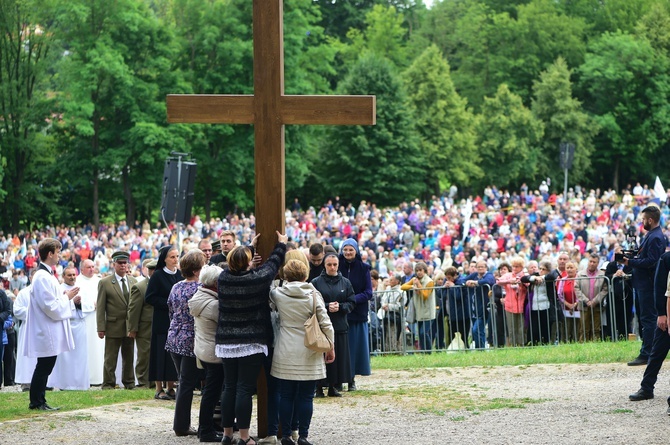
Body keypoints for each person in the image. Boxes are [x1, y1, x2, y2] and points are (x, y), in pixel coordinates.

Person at [216, 232, 287, 445]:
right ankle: (245, 437)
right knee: (244, 389)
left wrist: (250, 247)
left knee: (229, 387)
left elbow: (239, 263)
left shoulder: (223, 278)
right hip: (251, 341)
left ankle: (228, 434)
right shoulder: (256, 280)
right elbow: (272, 265)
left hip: (226, 341)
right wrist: (281, 245)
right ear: (248, 263)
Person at [270, 258, 335, 445]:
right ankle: (303, 435)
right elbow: (326, 324)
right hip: (309, 349)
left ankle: (286, 435)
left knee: (286, 395)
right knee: (307, 396)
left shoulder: (278, 295)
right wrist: (330, 346)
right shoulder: (313, 295)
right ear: (305, 274)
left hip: (285, 349)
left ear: (286, 276)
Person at [23, 238, 76, 410]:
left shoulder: (47, 275)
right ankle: (36, 402)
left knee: (46, 365)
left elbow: (53, 300)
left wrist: (64, 296)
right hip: (45, 328)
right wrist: (67, 297)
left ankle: (40, 400)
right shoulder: (41, 277)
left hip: (48, 327)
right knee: (44, 366)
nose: (60, 255)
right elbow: (49, 305)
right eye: (58, 251)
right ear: (50, 254)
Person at [166, 249, 207, 437]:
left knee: (183, 381)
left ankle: (181, 423)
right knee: (187, 384)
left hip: (174, 337)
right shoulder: (200, 288)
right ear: (197, 270)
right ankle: (181, 425)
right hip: (191, 339)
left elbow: (171, 310)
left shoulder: (177, 286)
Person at [620, 206, 666, 366]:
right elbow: (645, 257)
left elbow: (651, 261)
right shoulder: (652, 235)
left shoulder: (656, 237)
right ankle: (647, 351)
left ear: (650, 220)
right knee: (644, 318)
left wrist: (630, 261)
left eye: (643, 219)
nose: (642, 222)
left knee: (648, 319)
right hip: (642, 283)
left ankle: (648, 353)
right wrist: (631, 257)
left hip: (648, 284)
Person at [189, 264, 225, 443]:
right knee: (212, 393)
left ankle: (207, 427)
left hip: (204, 349)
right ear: (215, 283)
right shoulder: (213, 304)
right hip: (213, 352)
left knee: (210, 392)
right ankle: (206, 430)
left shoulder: (200, 297)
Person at [629, 251, 670, 407]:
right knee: (657, 353)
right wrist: (661, 313)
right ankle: (646, 388)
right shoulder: (666, 258)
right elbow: (660, 287)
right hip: (667, 315)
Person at [311, 252, 355, 397]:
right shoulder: (316, 282)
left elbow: (351, 302)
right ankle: (318, 386)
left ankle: (333, 386)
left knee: (337, 359)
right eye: (329, 264)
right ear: (325, 265)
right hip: (321, 327)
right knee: (321, 356)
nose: (332, 267)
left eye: (335, 264)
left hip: (340, 325)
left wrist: (341, 307)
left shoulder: (346, 282)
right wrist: (327, 306)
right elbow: (312, 302)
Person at [145, 245, 182, 400]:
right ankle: (159, 388)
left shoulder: (179, 274)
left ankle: (171, 387)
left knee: (172, 355)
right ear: (164, 259)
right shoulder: (158, 275)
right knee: (160, 354)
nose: (175, 260)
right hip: (162, 321)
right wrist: (168, 303)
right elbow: (150, 297)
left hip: (176, 322)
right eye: (172, 257)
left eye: (177, 257)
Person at [96, 251, 137, 389]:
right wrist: (100, 327)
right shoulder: (105, 282)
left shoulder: (133, 281)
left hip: (129, 326)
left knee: (129, 356)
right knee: (110, 358)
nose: (123, 265)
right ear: (114, 264)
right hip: (113, 325)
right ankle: (108, 383)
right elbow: (101, 307)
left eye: (125, 263)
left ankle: (129, 382)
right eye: (120, 263)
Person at [338, 239, 372, 391]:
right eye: (345, 250)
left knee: (354, 349)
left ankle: (351, 379)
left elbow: (368, 292)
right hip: (340, 313)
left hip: (357, 314)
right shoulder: (336, 266)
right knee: (340, 349)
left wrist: (352, 300)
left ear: (356, 251)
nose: (348, 253)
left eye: (351, 250)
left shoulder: (364, 268)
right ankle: (338, 379)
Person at [49, 266, 89, 390]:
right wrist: (71, 302)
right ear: (63, 276)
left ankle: (80, 384)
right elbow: (56, 306)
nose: (72, 277)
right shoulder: (59, 289)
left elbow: (91, 304)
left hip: (79, 324)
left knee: (80, 355)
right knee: (65, 357)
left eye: (73, 275)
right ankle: (65, 384)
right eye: (69, 275)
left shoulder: (82, 288)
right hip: (65, 324)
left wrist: (80, 304)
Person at [127, 259, 157, 388]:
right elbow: (133, 310)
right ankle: (143, 381)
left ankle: (155, 381)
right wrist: (132, 328)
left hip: (159, 326)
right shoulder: (140, 287)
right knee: (144, 355)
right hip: (145, 327)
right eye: (153, 270)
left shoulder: (163, 285)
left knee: (156, 355)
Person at [76, 259, 103, 386]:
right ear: (82, 269)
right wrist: (92, 305)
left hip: (99, 318)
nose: (92, 269)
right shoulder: (77, 281)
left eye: (93, 266)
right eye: (88, 267)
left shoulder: (99, 281)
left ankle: (99, 377)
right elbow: (77, 301)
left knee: (99, 349)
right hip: (85, 319)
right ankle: (87, 377)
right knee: (86, 348)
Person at [521, 261, 559, 345]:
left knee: (545, 329)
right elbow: (523, 278)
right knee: (534, 329)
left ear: (548, 270)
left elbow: (553, 275)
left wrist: (543, 277)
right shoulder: (535, 275)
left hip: (546, 306)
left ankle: (545, 344)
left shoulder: (550, 276)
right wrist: (534, 278)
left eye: (543, 269)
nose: (541, 270)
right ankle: (533, 344)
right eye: (540, 268)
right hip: (534, 307)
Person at [401, 261, 436, 352]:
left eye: (420, 270)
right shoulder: (414, 280)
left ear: (425, 271)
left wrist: (419, 286)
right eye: (417, 270)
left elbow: (425, 295)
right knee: (420, 334)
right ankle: (423, 351)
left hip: (428, 311)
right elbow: (403, 286)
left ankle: (428, 351)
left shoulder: (430, 282)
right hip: (419, 311)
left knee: (423, 332)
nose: (418, 272)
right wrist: (412, 286)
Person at [575, 254, 608, 342]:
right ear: (588, 262)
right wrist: (586, 300)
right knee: (584, 328)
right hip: (584, 305)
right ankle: (583, 345)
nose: (592, 264)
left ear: (598, 263)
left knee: (596, 328)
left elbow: (605, 289)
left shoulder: (602, 275)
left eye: (594, 262)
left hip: (597, 305)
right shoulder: (580, 274)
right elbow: (576, 288)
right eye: (590, 261)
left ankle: (596, 345)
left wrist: (595, 301)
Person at [463, 261, 496, 349]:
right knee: (479, 331)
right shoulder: (474, 275)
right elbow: (462, 280)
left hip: (484, 308)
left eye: (482, 267)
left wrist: (475, 282)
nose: (480, 268)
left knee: (476, 329)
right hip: (474, 308)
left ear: (486, 267)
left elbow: (488, 281)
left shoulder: (489, 275)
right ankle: (480, 348)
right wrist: (466, 283)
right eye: (479, 267)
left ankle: (480, 347)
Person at [604, 249, 634, 340]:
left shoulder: (629, 265)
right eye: (616, 254)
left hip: (627, 296)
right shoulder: (611, 265)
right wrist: (615, 275)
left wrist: (625, 275)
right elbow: (606, 278)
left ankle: (624, 337)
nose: (619, 257)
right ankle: (611, 338)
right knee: (611, 318)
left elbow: (633, 276)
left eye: (620, 255)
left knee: (625, 318)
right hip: (613, 296)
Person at [498, 258, 527, 347]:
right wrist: (509, 281)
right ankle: (513, 345)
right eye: (513, 266)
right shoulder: (508, 275)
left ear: (521, 267)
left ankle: (522, 345)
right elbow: (498, 281)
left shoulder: (525, 276)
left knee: (522, 327)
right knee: (511, 327)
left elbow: (528, 284)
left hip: (522, 305)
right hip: (510, 305)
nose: (514, 268)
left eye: (517, 266)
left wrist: (521, 283)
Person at [557, 262, 580, 342]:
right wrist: (568, 305)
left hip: (578, 308)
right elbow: (559, 294)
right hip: (565, 308)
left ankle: (576, 341)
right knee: (566, 327)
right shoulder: (563, 280)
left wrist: (575, 304)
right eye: (568, 268)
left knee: (577, 327)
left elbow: (581, 292)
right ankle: (565, 342)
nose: (569, 270)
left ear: (576, 269)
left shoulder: (579, 279)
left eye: (571, 267)